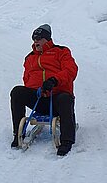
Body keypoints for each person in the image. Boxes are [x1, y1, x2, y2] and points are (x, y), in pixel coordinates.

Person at [10, 24, 78, 156]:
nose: (35, 41)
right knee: (17, 91)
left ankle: (67, 140)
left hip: (58, 99)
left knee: (65, 98)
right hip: (39, 99)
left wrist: (54, 81)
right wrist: (36, 90)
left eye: (39, 38)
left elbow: (71, 70)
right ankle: (18, 133)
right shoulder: (30, 57)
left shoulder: (61, 51)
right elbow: (27, 78)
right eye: (34, 38)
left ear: (47, 39)